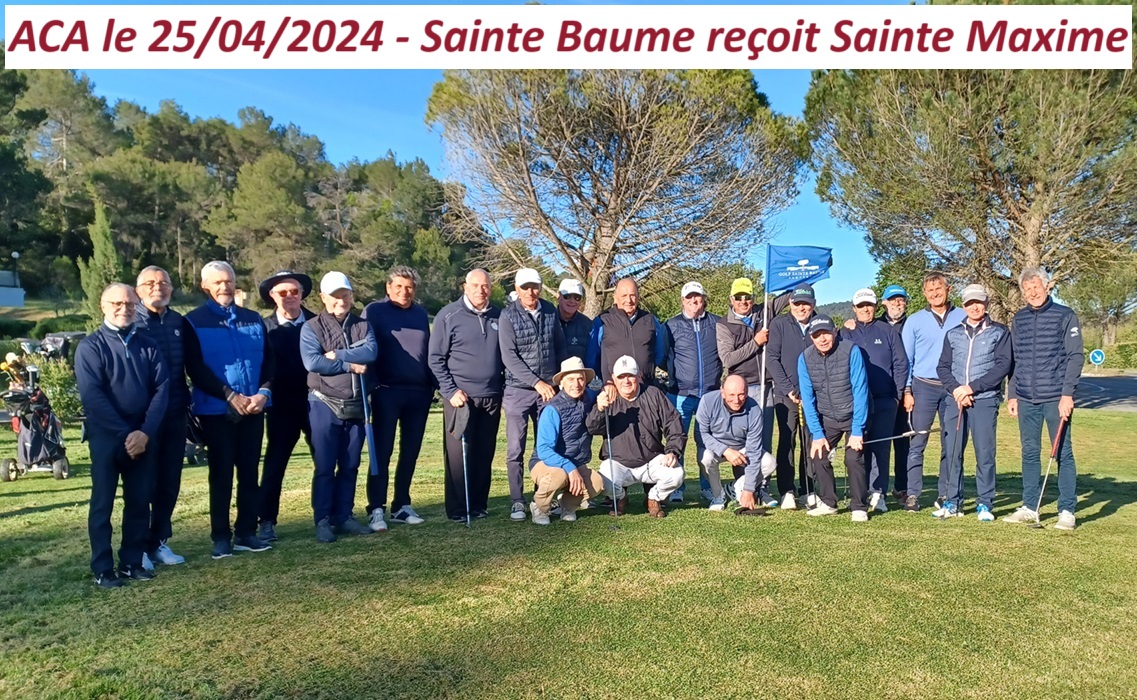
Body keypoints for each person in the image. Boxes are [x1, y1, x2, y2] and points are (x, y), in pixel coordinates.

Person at [76, 283, 169, 587]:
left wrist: (145, 432)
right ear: (103, 306)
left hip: (143, 434)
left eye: (129, 304)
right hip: (107, 435)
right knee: (102, 504)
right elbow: (93, 396)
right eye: (116, 303)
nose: (124, 309)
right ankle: (103, 568)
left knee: (139, 502)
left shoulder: (148, 344)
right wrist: (127, 433)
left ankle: (132, 562)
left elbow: (162, 389)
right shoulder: (90, 347)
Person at [183, 261, 276, 559]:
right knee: (221, 474)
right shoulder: (193, 322)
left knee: (249, 473)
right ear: (205, 286)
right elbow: (195, 368)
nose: (225, 286)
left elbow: (269, 360)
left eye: (229, 281)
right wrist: (229, 395)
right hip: (216, 411)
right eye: (218, 282)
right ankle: (221, 537)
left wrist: (263, 392)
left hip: (254, 407)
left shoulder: (253, 319)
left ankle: (246, 533)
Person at [299, 272, 378, 542]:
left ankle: (344, 516)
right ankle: (323, 520)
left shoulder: (363, 325)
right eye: (334, 296)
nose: (340, 300)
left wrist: (339, 355)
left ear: (351, 296)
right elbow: (313, 362)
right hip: (324, 402)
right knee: (324, 466)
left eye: (345, 295)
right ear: (323, 298)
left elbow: (371, 352)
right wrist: (349, 365)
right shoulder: (311, 327)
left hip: (357, 403)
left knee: (350, 464)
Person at [1003, 268, 1083, 530]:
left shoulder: (1065, 315)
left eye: (1036, 287)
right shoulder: (1019, 319)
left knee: (1062, 452)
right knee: (1029, 452)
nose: (1032, 292)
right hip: (1026, 398)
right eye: (1027, 289)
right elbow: (1016, 360)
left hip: (1056, 398)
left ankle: (1067, 510)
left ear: (1047, 287)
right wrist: (1012, 394)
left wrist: (1067, 394)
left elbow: (1075, 356)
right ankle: (1029, 506)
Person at [362, 266, 434, 531]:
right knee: (382, 451)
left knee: (410, 452)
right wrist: (371, 386)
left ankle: (401, 505)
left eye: (410, 287)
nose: (405, 292)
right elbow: (364, 347)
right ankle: (376, 508)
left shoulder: (420, 313)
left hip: (418, 392)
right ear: (388, 287)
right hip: (386, 391)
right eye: (399, 287)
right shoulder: (374, 311)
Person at [429, 269, 505, 522]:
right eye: (475, 285)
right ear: (465, 287)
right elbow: (435, 359)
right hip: (460, 398)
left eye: (485, 286)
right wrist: (450, 391)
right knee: (458, 455)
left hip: (491, 396)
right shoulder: (448, 315)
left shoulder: (499, 315)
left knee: (484, 452)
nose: (481, 290)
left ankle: (479, 505)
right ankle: (459, 509)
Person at [936, 284, 1012, 521]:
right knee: (953, 452)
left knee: (984, 453)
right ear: (964, 305)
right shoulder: (953, 333)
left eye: (978, 302)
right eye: (970, 303)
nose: (974, 307)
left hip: (985, 400)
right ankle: (952, 501)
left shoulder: (999, 332)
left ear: (986, 304)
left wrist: (972, 388)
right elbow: (943, 367)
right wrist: (958, 390)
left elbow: (1002, 366)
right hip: (956, 400)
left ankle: (985, 504)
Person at [499, 267, 566, 521]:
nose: (530, 292)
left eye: (534, 287)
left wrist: (559, 379)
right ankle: (517, 501)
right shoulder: (507, 316)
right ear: (517, 289)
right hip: (518, 390)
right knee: (515, 449)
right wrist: (536, 382)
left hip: (548, 390)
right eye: (525, 287)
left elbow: (559, 346)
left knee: (546, 445)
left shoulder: (549, 310)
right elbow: (509, 357)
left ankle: (544, 496)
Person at [715, 277, 790, 503]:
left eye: (747, 297)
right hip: (742, 390)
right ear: (731, 299)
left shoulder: (764, 312)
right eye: (739, 297)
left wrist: (808, 272)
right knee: (744, 441)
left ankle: (761, 487)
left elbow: (789, 295)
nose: (743, 301)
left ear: (753, 298)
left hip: (766, 386)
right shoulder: (724, 325)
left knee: (764, 440)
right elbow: (728, 359)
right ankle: (743, 486)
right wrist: (756, 342)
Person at [133, 266, 189, 568]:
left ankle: (158, 542)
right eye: (150, 283)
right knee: (144, 483)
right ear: (138, 290)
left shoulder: (179, 321)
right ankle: (138, 546)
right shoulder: (132, 322)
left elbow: (193, 365)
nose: (158, 287)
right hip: (143, 419)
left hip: (176, 414)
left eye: (164, 283)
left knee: (169, 482)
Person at [585, 355, 686, 518]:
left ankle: (653, 498)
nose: (626, 381)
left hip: (651, 460)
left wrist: (673, 451)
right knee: (604, 477)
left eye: (630, 376)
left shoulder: (654, 394)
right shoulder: (607, 397)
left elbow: (673, 423)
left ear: (639, 376)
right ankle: (620, 497)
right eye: (621, 377)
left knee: (677, 474)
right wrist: (600, 409)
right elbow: (593, 428)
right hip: (619, 463)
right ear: (613, 378)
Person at [256, 270, 315, 543]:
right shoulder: (263, 328)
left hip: (317, 402)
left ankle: (329, 515)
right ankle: (266, 521)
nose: (290, 296)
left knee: (325, 462)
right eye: (283, 292)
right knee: (275, 464)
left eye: (294, 291)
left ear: (302, 294)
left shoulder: (317, 323)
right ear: (272, 296)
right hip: (280, 406)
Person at [900, 272, 966, 513]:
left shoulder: (963, 316)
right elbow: (906, 359)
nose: (935, 293)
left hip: (953, 388)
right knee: (918, 441)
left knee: (951, 444)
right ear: (924, 294)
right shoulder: (915, 320)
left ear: (948, 289)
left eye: (939, 288)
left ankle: (946, 493)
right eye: (930, 290)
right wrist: (907, 390)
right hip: (923, 386)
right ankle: (913, 494)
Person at [839, 288, 908, 513]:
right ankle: (860, 492)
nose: (865, 309)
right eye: (861, 306)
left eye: (869, 305)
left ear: (876, 307)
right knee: (859, 447)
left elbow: (900, 363)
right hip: (856, 402)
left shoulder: (887, 331)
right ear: (854, 308)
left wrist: (897, 394)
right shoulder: (846, 332)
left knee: (881, 448)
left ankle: (878, 492)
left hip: (885, 399)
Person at [797, 316, 870, 521]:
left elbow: (861, 391)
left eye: (826, 333)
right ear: (811, 337)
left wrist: (857, 430)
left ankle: (859, 506)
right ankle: (829, 502)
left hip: (853, 416)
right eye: (817, 335)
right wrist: (817, 433)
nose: (822, 339)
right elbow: (808, 399)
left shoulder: (851, 351)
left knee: (853, 458)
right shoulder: (804, 358)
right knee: (818, 455)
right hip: (828, 417)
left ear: (835, 332)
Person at [529, 357, 607, 525]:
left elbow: (604, 392)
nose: (576, 384)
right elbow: (544, 449)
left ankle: (567, 506)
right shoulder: (552, 409)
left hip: (576, 461)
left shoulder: (589, 398)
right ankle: (539, 507)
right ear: (562, 383)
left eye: (580, 379)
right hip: (545, 462)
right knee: (559, 475)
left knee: (597, 483)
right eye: (570, 379)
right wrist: (570, 468)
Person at [664, 281, 722, 503]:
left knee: (707, 442)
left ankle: (707, 487)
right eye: (689, 298)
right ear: (683, 301)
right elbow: (662, 356)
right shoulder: (671, 325)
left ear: (704, 299)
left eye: (697, 297)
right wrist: (676, 375)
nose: (694, 301)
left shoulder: (717, 323)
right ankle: (676, 487)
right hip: (680, 394)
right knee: (677, 440)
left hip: (710, 394)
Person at [766, 283, 819, 509]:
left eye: (805, 304)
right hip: (785, 395)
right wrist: (788, 388)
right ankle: (787, 490)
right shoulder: (779, 324)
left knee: (811, 442)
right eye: (797, 303)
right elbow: (772, 359)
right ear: (790, 303)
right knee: (787, 441)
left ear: (813, 304)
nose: (801, 308)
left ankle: (808, 489)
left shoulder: (820, 322)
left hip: (813, 396)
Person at [694, 374, 776, 512]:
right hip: (715, 448)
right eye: (731, 394)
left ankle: (735, 488)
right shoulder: (707, 401)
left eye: (741, 394)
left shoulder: (754, 409)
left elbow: (754, 450)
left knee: (770, 462)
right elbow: (701, 434)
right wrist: (725, 450)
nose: (736, 400)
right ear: (722, 392)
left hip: (743, 448)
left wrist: (749, 489)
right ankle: (718, 496)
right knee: (705, 458)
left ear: (747, 392)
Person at [586, 277, 666, 387]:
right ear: (615, 297)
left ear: (638, 296)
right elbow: (592, 358)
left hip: (645, 386)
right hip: (614, 389)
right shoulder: (602, 321)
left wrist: (647, 369)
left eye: (632, 295)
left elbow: (659, 354)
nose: (629, 300)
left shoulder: (650, 320)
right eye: (624, 296)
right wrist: (607, 381)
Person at [880, 284, 911, 500]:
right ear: (884, 303)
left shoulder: (912, 324)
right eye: (893, 300)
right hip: (880, 393)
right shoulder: (874, 324)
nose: (897, 304)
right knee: (878, 444)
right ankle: (875, 488)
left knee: (903, 442)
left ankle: (902, 487)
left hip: (904, 393)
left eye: (901, 300)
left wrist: (905, 391)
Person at [557, 278, 592, 361]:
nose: (572, 301)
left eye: (577, 297)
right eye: (567, 296)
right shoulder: (548, 321)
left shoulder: (588, 325)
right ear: (558, 297)